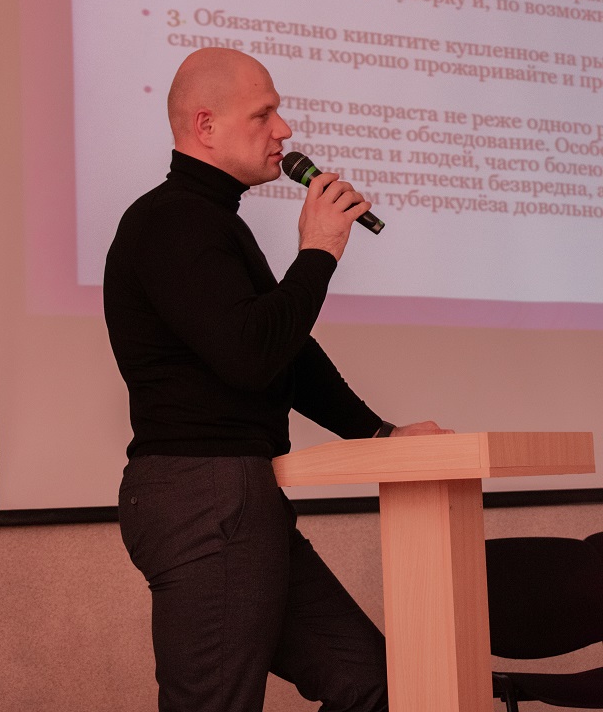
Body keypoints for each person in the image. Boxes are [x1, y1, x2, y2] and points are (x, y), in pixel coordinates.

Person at [103, 47, 452, 712]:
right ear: (206, 126)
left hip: (239, 496)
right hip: (205, 494)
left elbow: (287, 350)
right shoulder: (170, 221)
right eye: (263, 114)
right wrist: (319, 252)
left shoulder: (211, 222)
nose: (284, 130)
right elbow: (250, 355)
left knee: (371, 683)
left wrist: (379, 434)